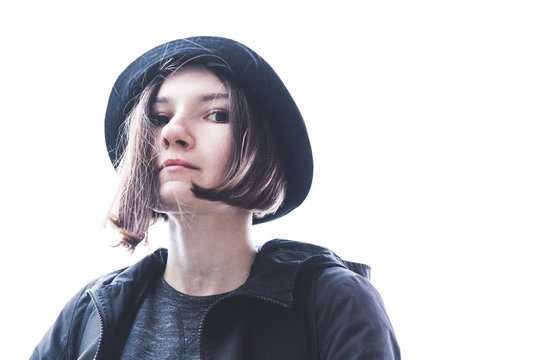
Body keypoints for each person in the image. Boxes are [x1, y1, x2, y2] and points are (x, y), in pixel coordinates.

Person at [30, 36, 400, 359]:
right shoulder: (88, 314)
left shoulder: (333, 304)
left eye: (217, 114)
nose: (174, 131)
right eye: (159, 117)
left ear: (258, 148)